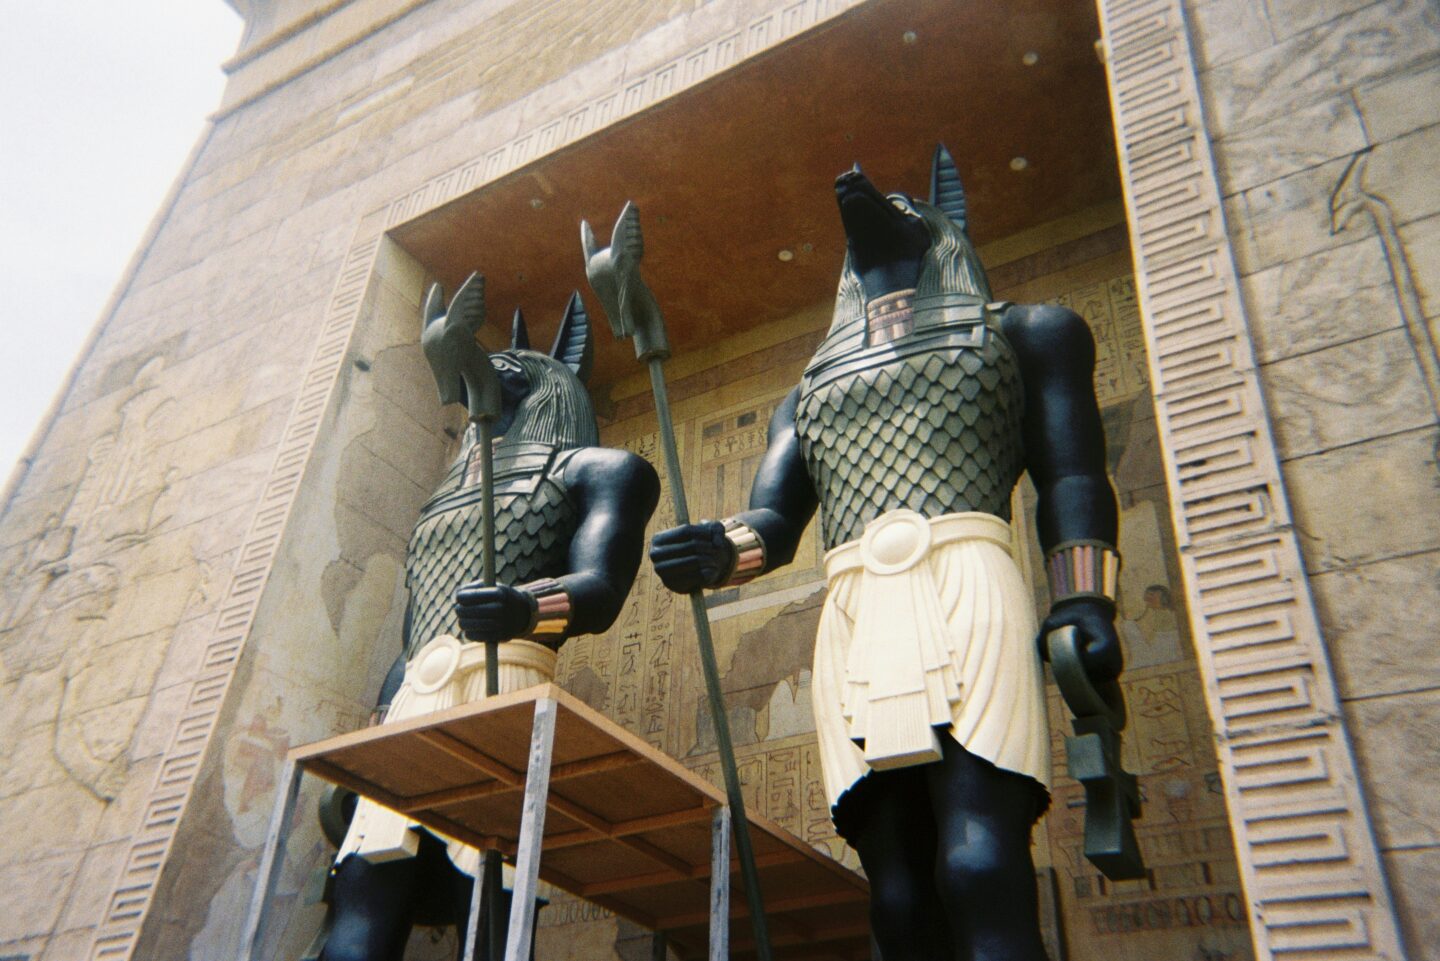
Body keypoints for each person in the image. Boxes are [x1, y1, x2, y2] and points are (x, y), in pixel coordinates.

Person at [649, 147, 1122, 961]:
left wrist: (1083, 597)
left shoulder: (1025, 333)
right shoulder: (810, 391)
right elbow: (775, 522)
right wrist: (717, 550)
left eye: (904, 208)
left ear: (942, 232)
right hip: (856, 607)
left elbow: (1072, 474)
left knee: (979, 861)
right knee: (895, 891)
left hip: (965, 580)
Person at [320, 281, 659, 961]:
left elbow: (600, 589)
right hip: (414, 696)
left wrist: (528, 607)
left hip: (508, 686)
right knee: (355, 930)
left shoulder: (599, 470)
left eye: (504, 374)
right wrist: (381, 717)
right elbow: (417, 625)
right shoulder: (441, 502)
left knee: (491, 925)